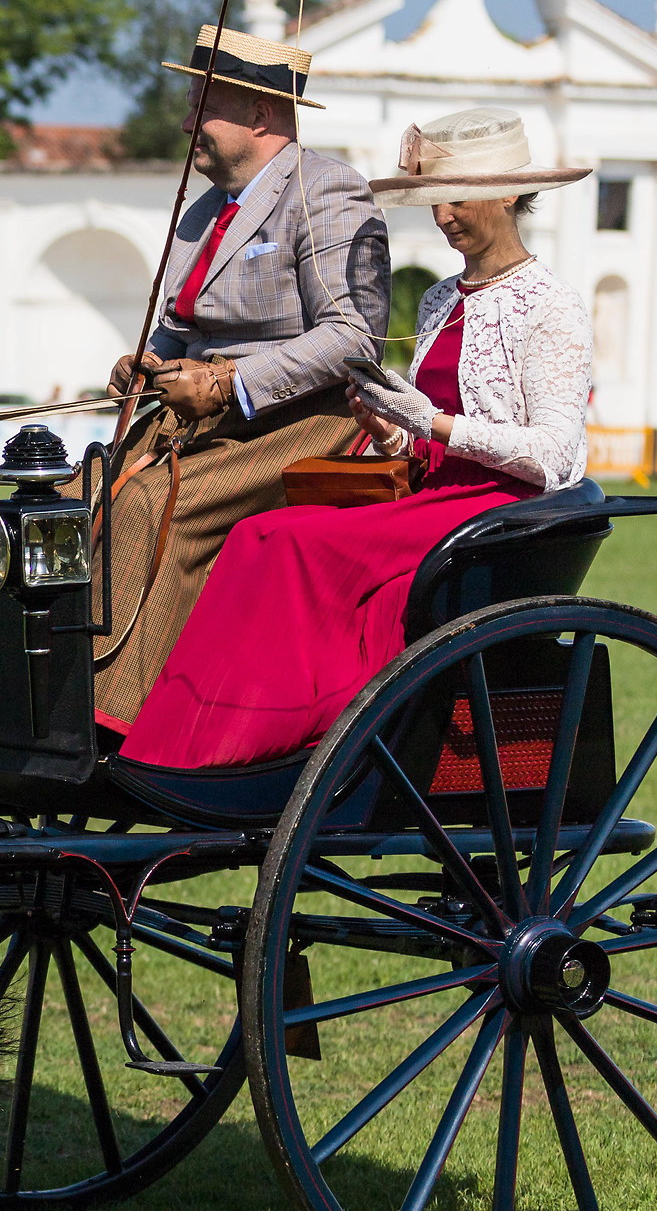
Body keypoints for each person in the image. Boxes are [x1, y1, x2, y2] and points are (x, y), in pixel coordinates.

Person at [123, 107, 593, 768]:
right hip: (431, 493)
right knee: (261, 532)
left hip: (500, 514)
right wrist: (392, 428)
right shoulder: (437, 301)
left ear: (509, 193)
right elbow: (424, 445)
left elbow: (553, 454)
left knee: (288, 544)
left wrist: (429, 421)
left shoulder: (552, 305)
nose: (443, 217)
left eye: (457, 199)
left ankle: (250, 742)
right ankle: (195, 738)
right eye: (435, 201)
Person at [85, 25, 392, 735]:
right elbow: (182, 325)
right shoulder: (203, 211)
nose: (188, 120)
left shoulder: (328, 191)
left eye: (203, 103)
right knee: (73, 499)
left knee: (151, 506)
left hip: (301, 417)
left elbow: (353, 336)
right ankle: (45, 686)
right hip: (195, 417)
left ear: (259, 115)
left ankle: (113, 717)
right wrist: (149, 362)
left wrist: (228, 385)